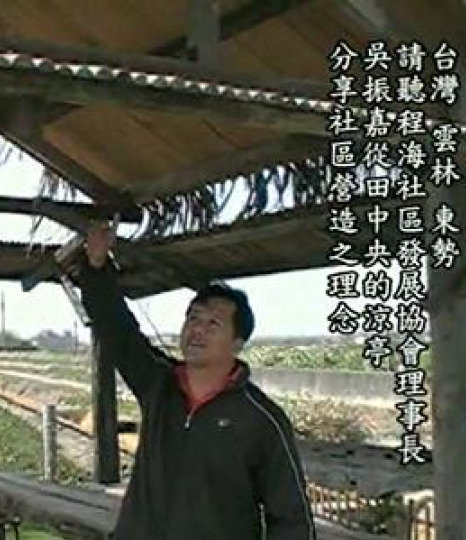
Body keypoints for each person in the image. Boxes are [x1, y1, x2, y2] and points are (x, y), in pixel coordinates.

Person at [79, 221, 317, 540]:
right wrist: (97, 267)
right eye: (192, 318)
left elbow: (291, 520)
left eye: (213, 324)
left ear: (237, 342)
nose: (197, 329)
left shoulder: (261, 420)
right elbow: (116, 328)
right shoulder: (158, 384)